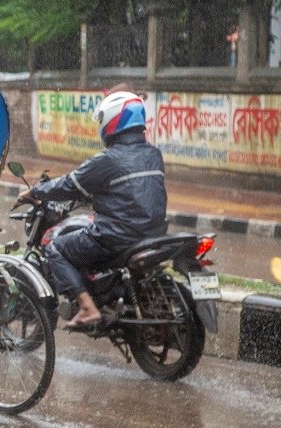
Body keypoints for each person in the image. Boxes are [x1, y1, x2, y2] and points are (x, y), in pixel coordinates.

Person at [15, 91, 167, 327]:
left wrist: (33, 193)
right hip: (153, 235)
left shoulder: (107, 160)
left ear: (112, 121)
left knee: (55, 248)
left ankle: (87, 308)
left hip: (118, 237)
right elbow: (129, 191)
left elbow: (70, 184)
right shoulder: (153, 154)